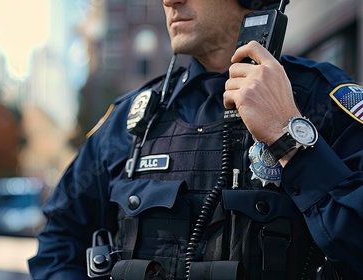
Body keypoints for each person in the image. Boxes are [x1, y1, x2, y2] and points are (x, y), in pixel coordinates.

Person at [28, 0, 363, 279]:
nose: (170, 1)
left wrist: (287, 134)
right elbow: (59, 241)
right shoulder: (130, 121)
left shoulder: (327, 102)